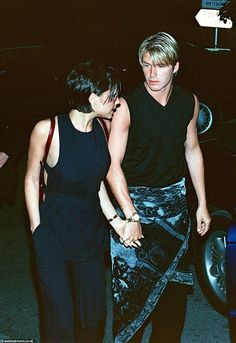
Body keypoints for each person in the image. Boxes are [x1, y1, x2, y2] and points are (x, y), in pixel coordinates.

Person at [107, 32, 211, 343]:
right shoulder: (127, 105)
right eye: (146, 65)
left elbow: (192, 150)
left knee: (172, 307)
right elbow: (111, 167)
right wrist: (131, 216)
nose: (152, 74)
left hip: (175, 212)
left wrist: (202, 203)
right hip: (134, 210)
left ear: (175, 67)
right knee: (131, 305)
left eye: (160, 66)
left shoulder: (188, 102)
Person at [24, 60, 126, 343]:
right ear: (93, 98)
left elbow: (95, 185)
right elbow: (32, 179)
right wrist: (37, 229)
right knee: (61, 323)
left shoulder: (102, 129)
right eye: (112, 95)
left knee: (93, 321)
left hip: (90, 237)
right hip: (53, 235)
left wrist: (116, 222)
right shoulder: (48, 130)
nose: (117, 102)